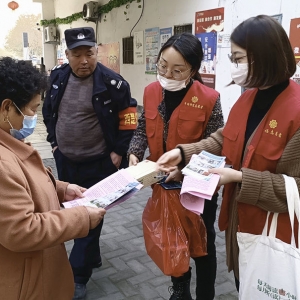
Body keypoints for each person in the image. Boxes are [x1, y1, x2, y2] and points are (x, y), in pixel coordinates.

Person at [156, 15, 300, 291]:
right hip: (240, 226)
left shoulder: (296, 111)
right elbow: (225, 139)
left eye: (238, 59)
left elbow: (297, 188)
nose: (234, 67)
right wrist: (183, 153)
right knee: (244, 285)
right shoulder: (249, 96)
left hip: (276, 234)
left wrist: (237, 177)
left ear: (265, 56)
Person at [42, 27, 137, 299]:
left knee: (90, 212)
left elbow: (129, 116)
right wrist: (54, 143)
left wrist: (119, 151)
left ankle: (78, 276)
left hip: (100, 162)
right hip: (66, 160)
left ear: (97, 52)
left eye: (90, 53)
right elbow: (49, 111)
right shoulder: (58, 78)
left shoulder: (112, 82)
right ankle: (92, 256)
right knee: (77, 209)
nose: (84, 60)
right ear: (67, 55)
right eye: (77, 54)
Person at [0, 57, 106, 300]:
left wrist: (60, 189)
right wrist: (80, 217)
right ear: (7, 107)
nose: (32, 116)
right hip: (27, 283)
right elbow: (21, 230)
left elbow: (20, 186)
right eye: (32, 109)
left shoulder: (8, 139)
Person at [128, 32, 224, 300]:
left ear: (192, 70)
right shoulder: (149, 92)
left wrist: (185, 169)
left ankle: (205, 294)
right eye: (162, 66)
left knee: (203, 247)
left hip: (197, 190)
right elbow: (142, 127)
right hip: (163, 186)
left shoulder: (209, 98)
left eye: (177, 70)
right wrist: (135, 153)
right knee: (172, 241)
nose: (167, 75)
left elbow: (217, 147)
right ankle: (180, 290)